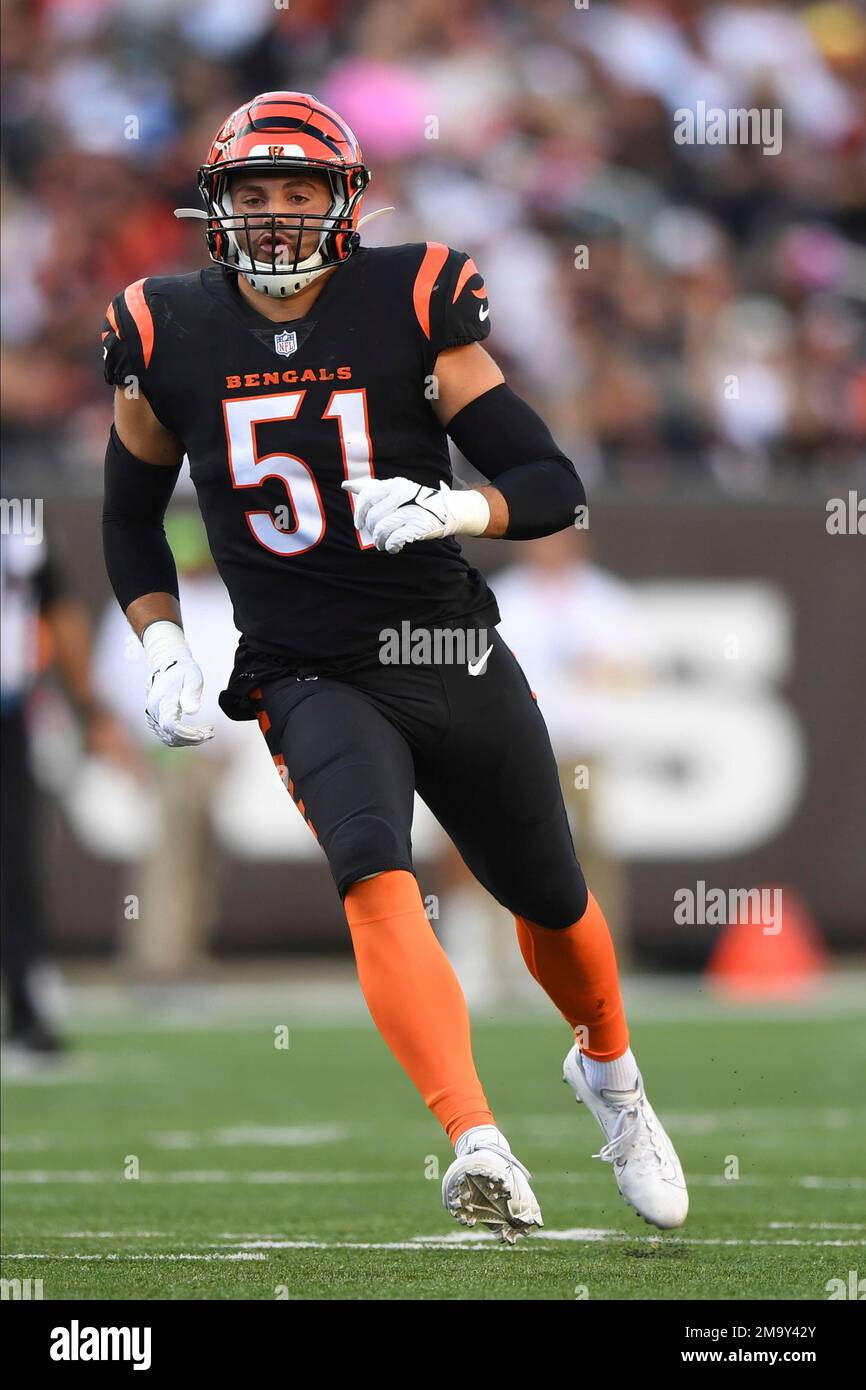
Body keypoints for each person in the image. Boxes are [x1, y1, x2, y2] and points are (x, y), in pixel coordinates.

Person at [100, 91, 687, 1240]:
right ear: (215, 209)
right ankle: (476, 1137)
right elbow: (129, 519)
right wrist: (162, 638)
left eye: (298, 193)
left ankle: (613, 1081)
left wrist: (452, 504)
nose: (274, 218)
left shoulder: (412, 300)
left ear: (344, 202)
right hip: (301, 667)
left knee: (550, 897)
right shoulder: (163, 329)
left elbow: (552, 481)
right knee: (372, 871)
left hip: (445, 646)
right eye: (252, 196)